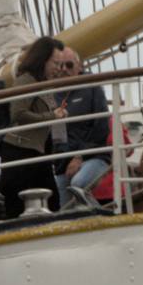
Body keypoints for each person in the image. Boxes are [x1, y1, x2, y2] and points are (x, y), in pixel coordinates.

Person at [0, 35, 65, 217]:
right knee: (17, 206)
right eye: (55, 63)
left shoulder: (43, 84)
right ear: (42, 60)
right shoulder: (26, 80)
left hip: (37, 153)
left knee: (51, 202)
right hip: (20, 152)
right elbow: (17, 114)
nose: (58, 69)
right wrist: (51, 115)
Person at [51, 46, 110, 209]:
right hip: (64, 164)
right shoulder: (53, 95)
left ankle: (103, 217)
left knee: (79, 183)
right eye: (59, 66)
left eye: (69, 65)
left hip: (94, 156)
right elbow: (55, 137)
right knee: (63, 210)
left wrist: (79, 156)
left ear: (79, 66)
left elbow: (101, 129)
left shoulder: (92, 87)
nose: (63, 70)